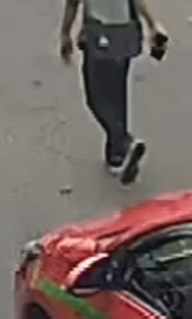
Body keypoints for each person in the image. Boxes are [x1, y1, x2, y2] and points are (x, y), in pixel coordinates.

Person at [59, 0, 166, 184]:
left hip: (100, 33)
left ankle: (124, 143)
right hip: (126, 34)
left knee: (95, 98)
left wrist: (65, 33)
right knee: (118, 93)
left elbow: (72, 3)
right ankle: (116, 155)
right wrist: (153, 24)